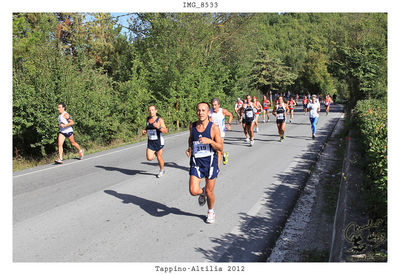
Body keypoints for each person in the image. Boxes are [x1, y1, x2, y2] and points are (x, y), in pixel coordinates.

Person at [186, 102, 223, 224]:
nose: (200, 113)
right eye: (198, 110)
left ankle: (211, 211)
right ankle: (202, 193)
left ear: (208, 112)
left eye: (203, 110)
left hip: (210, 163)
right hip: (196, 162)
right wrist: (190, 148)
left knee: (210, 192)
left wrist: (210, 141)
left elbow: (220, 148)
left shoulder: (213, 128)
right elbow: (191, 139)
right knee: (193, 191)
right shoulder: (193, 126)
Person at [142, 105, 168, 178]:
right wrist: (144, 131)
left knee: (159, 157)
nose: (151, 111)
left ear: (156, 111)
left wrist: (159, 127)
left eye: (152, 110)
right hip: (150, 142)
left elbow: (165, 131)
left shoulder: (160, 120)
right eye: (149, 110)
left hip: (159, 141)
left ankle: (162, 170)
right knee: (149, 158)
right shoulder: (147, 119)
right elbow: (147, 128)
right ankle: (156, 154)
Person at [210, 98, 233, 166]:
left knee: (218, 150)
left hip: (221, 133)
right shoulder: (209, 112)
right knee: (216, 148)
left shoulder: (223, 111)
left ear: (219, 105)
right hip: (212, 133)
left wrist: (229, 124)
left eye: (215, 105)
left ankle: (217, 168)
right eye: (212, 105)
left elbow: (231, 115)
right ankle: (224, 154)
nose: (214, 107)